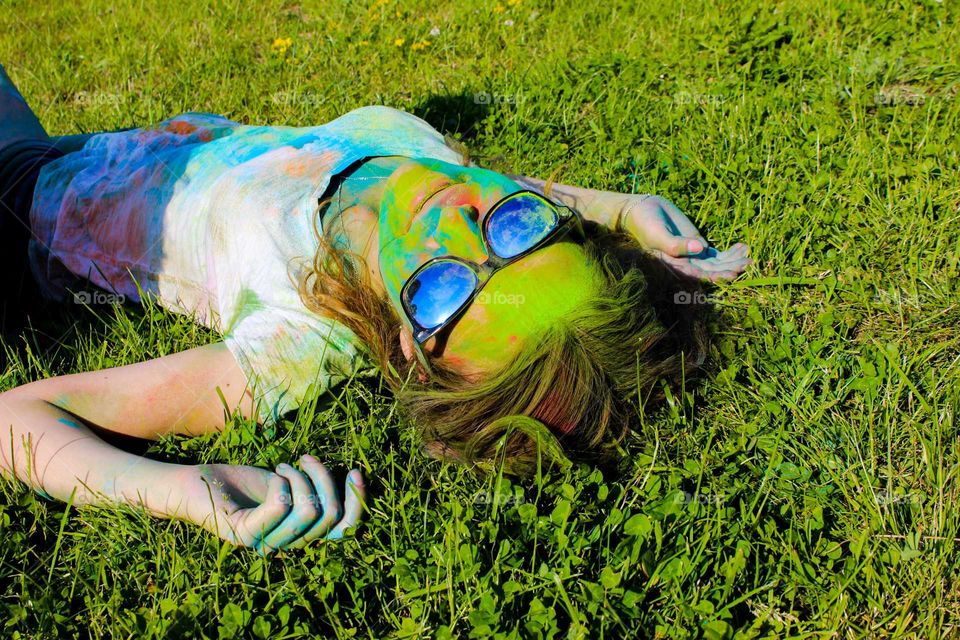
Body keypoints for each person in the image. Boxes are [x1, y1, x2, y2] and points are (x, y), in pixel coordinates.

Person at [0, 63, 750, 554]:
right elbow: (494, 189)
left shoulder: (299, 330)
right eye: (519, 228)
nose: (453, 219)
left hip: (22, 198)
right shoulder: (453, 181)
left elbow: (14, 421)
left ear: (403, 349)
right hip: (101, 144)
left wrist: (184, 493)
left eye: (446, 287)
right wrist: (619, 207)